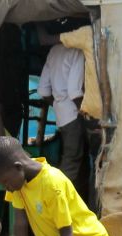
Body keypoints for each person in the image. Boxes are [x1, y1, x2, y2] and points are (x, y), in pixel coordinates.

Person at [37, 43, 86, 193]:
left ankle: (70, 202)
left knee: (72, 159)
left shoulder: (54, 50)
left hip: (62, 116)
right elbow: (75, 92)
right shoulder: (77, 51)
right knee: (71, 162)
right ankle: (59, 200)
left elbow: (43, 90)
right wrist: (86, 114)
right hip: (74, 115)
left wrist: (59, 105)